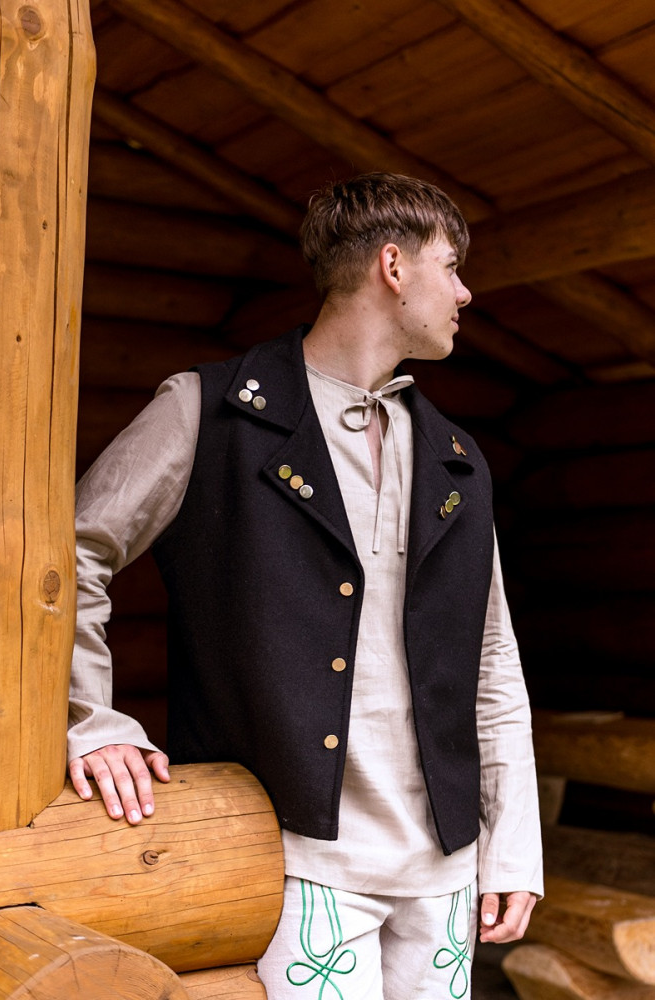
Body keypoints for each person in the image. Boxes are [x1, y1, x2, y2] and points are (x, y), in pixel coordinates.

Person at [69, 172, 542, 999]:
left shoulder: (457, 457)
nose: (465, 292)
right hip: (289, 858)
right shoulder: (208, 409)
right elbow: (72, 551)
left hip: (446, 870)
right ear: (393, 265)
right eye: (451, 266)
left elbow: (492, 658)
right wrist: (91, 720)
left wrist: (512, 844)